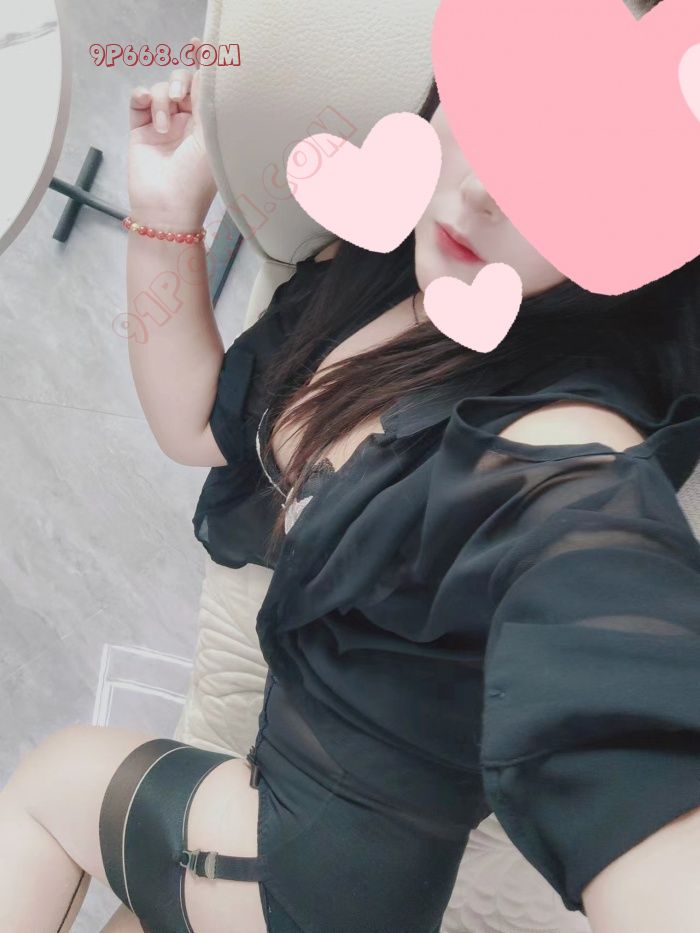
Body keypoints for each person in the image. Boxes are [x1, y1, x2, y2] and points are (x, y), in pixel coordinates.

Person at [2, 8, 700, 931]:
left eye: (568, 170)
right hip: (291, 841)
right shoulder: (382, 260)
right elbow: (194, 422)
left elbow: (614, 660)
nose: (484, 189)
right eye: (496, 112)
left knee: (54, 779)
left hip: (302, 880)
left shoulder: (563, 440)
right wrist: (166, 211)